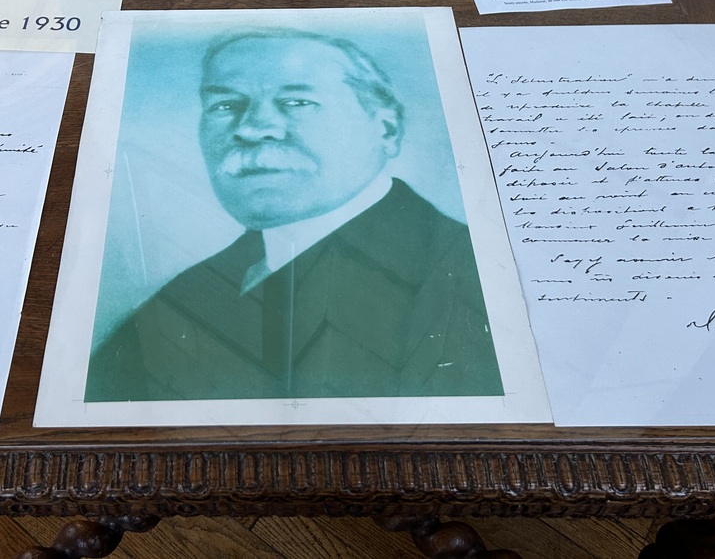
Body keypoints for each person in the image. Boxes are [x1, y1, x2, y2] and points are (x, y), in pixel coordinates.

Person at [85, 28, 502, 402]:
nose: (252, 128)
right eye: (226, 105)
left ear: (386, 129)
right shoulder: (192, 290)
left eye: (297, 101)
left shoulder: (470, 276)